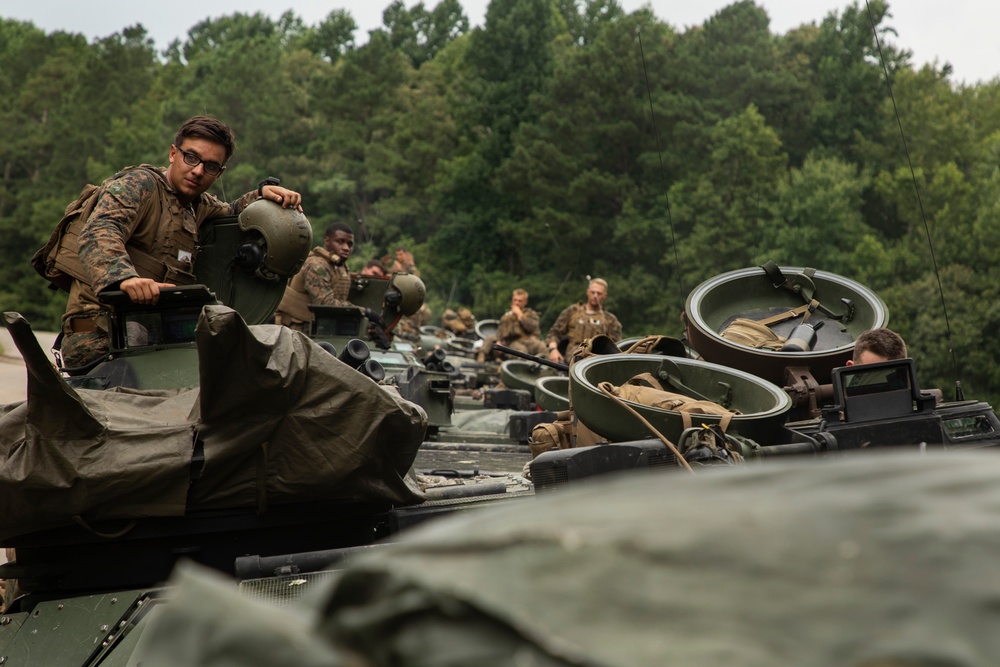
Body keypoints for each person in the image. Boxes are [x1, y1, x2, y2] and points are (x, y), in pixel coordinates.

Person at [57, 115, 303, 368]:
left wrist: (262, 194)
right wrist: (124, 279)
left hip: (156, 339)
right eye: (191, 157)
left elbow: (231, 213)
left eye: (210, 166)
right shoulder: (139, 185)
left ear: (219, 173)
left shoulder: (196, 206)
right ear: (173, 153)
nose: (197, 171)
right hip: (101, 338)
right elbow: (100, 229)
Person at [273, 222, 355, 333]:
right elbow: (325, 304)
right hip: (299, 330)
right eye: (340, 242)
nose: (346, 248)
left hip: (324, 328)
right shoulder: (316, 265)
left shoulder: (339, 266)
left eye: (350, 244)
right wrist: (362, 311)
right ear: (327, 240)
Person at [546, 278, 622, 364]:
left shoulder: (610, 319)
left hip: (597, 359)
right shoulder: (573, 311)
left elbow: (616, 347)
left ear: (605, 295)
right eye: (593, 292)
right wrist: (553, 350)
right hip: (574, 355)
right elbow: (554, 333)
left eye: (599, 293)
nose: (595, 296)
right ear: (587, 292)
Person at [478, 289, 546, 362]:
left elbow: (531, 327)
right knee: (519, 351)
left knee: (543, 348)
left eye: (520, 301)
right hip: (512, 342)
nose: (517, 303)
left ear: (525, 302)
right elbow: (500, 332)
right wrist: (499, 341)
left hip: (529, 341)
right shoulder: (507, 316)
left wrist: (519, 315)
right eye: (515, 300)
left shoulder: (531, 315)